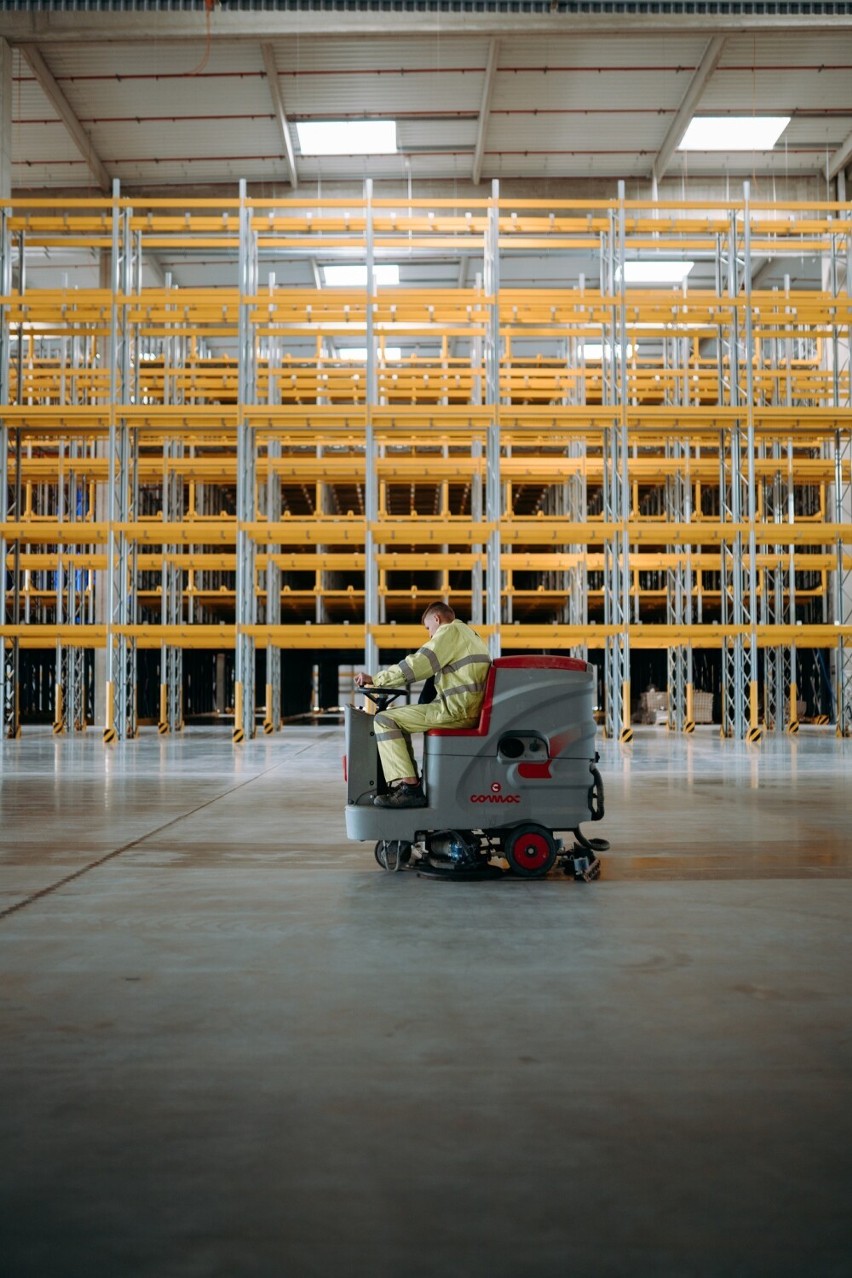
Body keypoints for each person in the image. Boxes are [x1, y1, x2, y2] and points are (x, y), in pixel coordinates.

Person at [354, 601, 492, 808]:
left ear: (437, 619)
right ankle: (410, 782)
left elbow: (417, 665)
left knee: (384, 720)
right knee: (399, 720)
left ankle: (410, 789)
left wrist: (377, 679)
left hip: (456, 711)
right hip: (465, 708)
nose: (429, 635)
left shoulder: (449, 632)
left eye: (428, 628)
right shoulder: (470, 634)